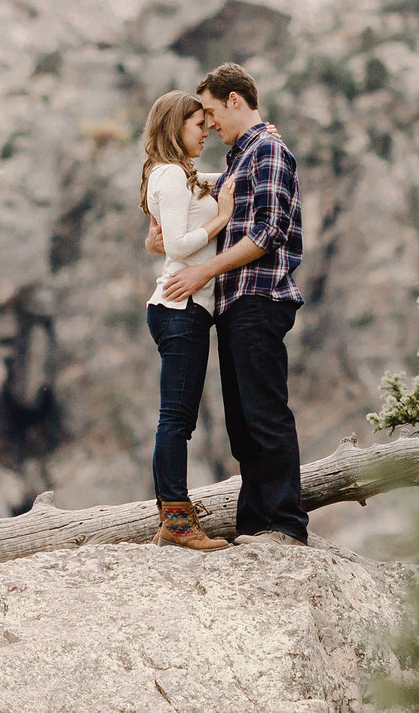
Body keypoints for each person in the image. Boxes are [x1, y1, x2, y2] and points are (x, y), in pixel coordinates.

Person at [157, 62, 312, 546]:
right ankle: (254, 523)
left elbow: (269, 233)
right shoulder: (242, 158)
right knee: (243, 422)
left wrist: (202, 271)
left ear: (235, 101)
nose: (207, 124)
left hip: (259, 297)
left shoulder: (267, 151)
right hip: (234, 302)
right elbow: (176, 183)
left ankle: (284, 523)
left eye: (210, 112)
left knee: (265, 413)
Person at [140, 90, 236, 551]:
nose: (206, 132)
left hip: (181, 309)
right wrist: (224, 218)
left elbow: (224, 178)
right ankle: (177, 523)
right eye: (199, 125)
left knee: (176, 419)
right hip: (181, 308)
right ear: (177, 126)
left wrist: (261, 142)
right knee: (176, 420)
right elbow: (177, 245)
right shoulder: (173, 175)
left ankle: (172, 518)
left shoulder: (179, 175)